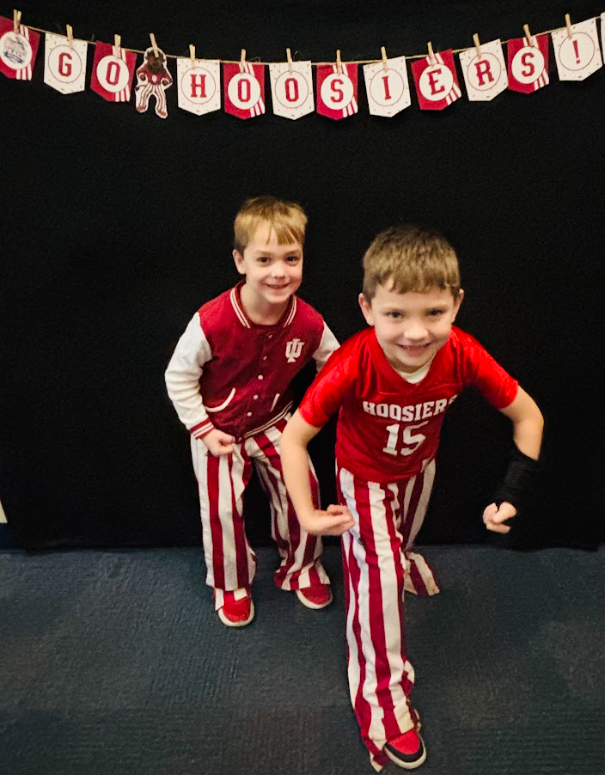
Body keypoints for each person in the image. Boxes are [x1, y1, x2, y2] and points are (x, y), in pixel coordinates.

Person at [280, 225, 544, 770]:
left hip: (419, 469)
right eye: (396, 314)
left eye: (434, 313)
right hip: (363, 478)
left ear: (457, 305)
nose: (416, 332)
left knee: (402, 543)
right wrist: (306, 513)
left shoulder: (463, 353)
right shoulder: (353, 362)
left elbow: (528, 416)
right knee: (377, 581)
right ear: (367, 308)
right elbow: (294, 437)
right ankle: (381, 700)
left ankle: (402, 557)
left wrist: (511, 491)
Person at [165, 196, 339, 627]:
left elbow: (336, 367)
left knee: (303, 489)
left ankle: (302, 565)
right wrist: (203, 429)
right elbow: (178, 376)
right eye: (264, 259)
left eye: (291, 258)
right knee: (222, 510)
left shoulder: (308, 321)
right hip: (217, 427)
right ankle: (231, 584)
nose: (279, 271)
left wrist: (309, 418)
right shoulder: (211, 320)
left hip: (276, 422)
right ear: (240, 261)